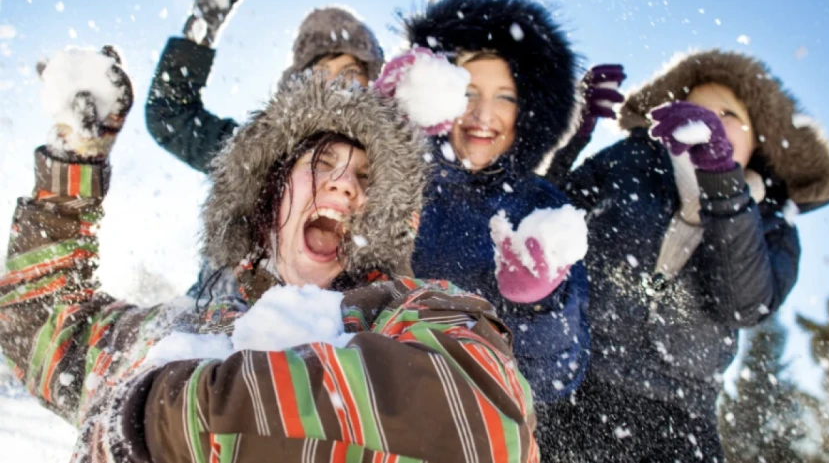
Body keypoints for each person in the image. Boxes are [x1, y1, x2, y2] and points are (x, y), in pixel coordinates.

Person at [0, 46, 539, 463]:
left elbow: (490, 427)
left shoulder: (404, 311)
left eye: (364, 179)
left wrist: (166, 415)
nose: (345, 187)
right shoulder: (168, 327)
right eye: (322, 162)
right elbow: (34, 326)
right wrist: (74, 163)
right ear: (267, 195)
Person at [544, 49, 829, 462]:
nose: (707, 124)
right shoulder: (628, 162)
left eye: (727, 115)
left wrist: (721, 183)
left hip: (681, 416)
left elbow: (743, 306)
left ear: (757, 139)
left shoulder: (773, 221)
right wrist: (566, 138)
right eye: (693, 111)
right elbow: (542, 224)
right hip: (576, 386)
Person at [382, 0, 590, 413]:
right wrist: (378, 123)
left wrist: (541, 305)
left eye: (506, 97)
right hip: (363, 401)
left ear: (528, 110)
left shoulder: (542, 208)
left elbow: (558, 378)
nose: (483, 114)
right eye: (469, 91)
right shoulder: (391, 174)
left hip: (472, 427)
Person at [145, 0, 385, 174]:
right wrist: (206, 19)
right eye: (321, 71)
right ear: (299, 82)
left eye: (351, 73)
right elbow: (171, 118)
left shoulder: (391, 159)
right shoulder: (263, 153)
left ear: (373, 83)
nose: (335, 83)